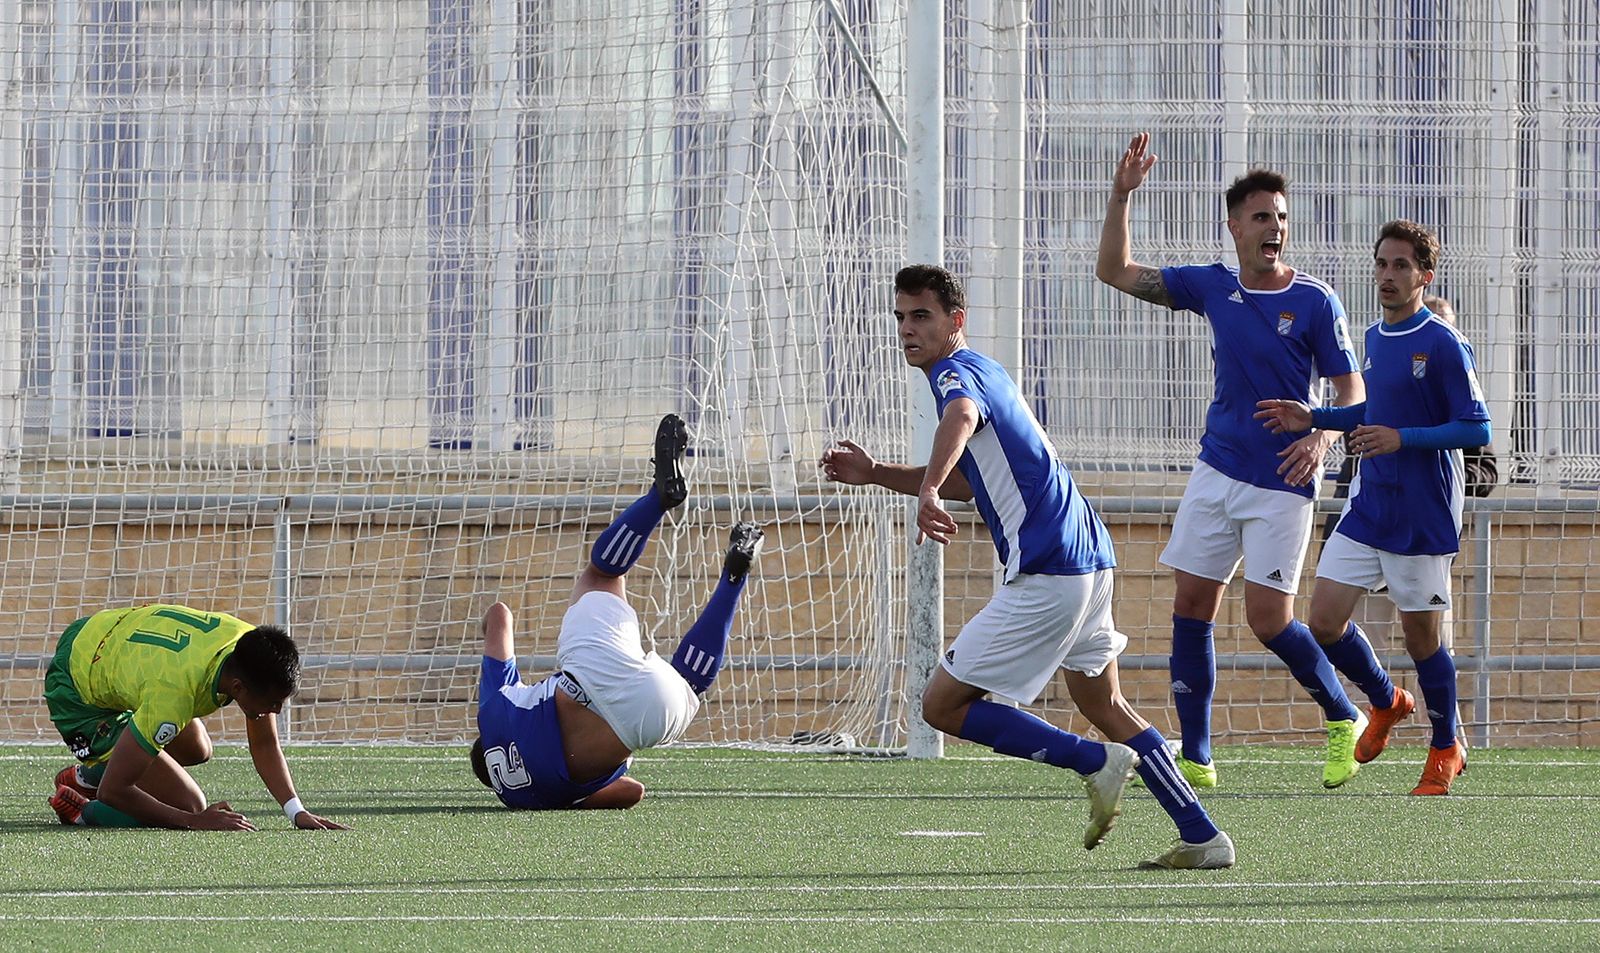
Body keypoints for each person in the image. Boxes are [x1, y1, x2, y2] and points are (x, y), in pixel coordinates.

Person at [820, 264, 1234, 869]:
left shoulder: (955, 375)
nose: (907, 329)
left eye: (921, 316)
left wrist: (928, 490)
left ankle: (1093, 763)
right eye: (901, 318)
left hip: (1050, 569)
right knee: (1106, 705)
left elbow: (959, 420)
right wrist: (881, 473)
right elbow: (972, 481)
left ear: (954, 321)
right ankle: (1202, 835)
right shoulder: (986, 367)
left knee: (940, 706)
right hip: (1090, 558)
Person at [1095, 132, 1369, 790]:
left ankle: (1342, 714)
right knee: (1190, 604)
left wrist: (1323, 436)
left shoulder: (1314, 300)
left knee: (1269, 619)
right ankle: (1197, 753)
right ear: (1234, 227)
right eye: (1261, 217)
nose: (1273, 227)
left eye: (1280, 217)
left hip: (1283, 481)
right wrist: (1119, 195)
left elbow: (1351, 391)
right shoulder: (1211, 286)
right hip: (1217, 469)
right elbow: (1115, 270)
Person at [1256, 220, 1491, 795]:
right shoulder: (1373, 337)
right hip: (1369, 509)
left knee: (1423, 641)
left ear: (1424, 276)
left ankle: (1445, 747)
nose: (1388, 275)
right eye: (1382, 264)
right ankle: (1386, 701)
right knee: (1323, 621)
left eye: (1401, 266)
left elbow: (1476, 425)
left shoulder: (1441, 342)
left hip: (1422, 515)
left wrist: (1402, 438)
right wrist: (1313, 416)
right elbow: (1368, 414)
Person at [470, 413, 763, 810]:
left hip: (644, 718)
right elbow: (500, 615)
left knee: (687, 685)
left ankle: (733, 580)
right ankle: (658, 499)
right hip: (587, 680)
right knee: (602, 575)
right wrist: (485, 626)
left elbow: (632, 792)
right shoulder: (492, 716)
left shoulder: (525, 800)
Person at [44, 604, 345, 830]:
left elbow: (265, 745)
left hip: (101, 637)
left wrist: (297, 812)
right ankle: (81, 811)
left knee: (196, 747)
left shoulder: (249, 648)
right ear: (238, 688)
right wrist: (194, 820)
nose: (277, 712)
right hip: (75, 688)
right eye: (274, 704)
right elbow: (115, 791)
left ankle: (88, 775)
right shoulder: (174, 696)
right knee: (187, 802)